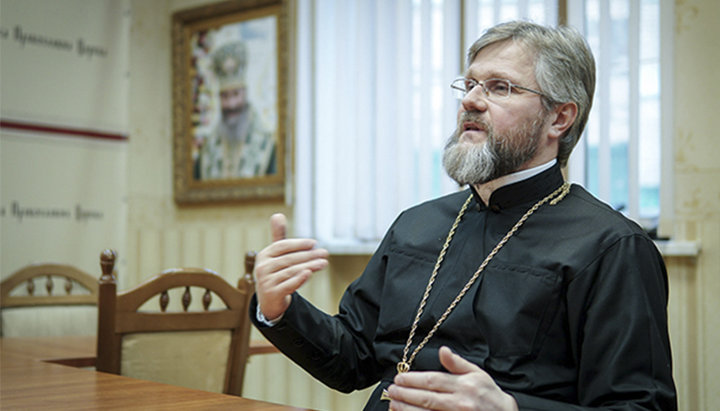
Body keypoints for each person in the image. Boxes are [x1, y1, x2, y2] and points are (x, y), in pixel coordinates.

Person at [250, 21, 677, 410]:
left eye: (500, 87)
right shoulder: (415, 225)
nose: (471, 100)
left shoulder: (611, 246)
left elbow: (641, 406)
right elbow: (352, 361)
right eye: (470, 84)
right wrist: (279, 307)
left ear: (559, 118)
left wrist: (510, 410)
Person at [196, 41, 276, 180]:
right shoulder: (208, 150)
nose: (231, 104)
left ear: (245, 93)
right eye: (225, 96)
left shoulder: (267, 146)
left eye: (235, 94)